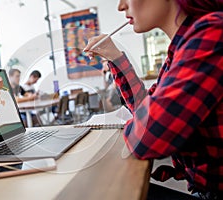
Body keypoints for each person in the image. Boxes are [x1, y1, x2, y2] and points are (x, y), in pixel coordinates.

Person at [84, 0, 223, 199]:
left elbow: (148, 136)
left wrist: (139, 125)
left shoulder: (212, 34)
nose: (121, 6)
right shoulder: (181, 49)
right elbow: (146, 109)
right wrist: (114, 57)